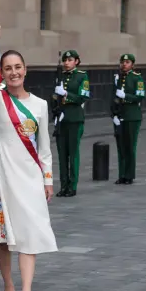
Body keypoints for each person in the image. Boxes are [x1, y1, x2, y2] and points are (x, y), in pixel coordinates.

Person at [0, 16, 57, 291]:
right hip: (0, 173)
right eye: (8, 68)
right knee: (1, 235)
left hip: (30, 176)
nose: (13, 72)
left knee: (30, 232)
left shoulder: (40, 105)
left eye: (17, 67)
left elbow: (45, 146)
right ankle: (9, 286)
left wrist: (48, 180)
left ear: (25, 71)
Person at [53, 50, 91, 197]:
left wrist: (66, 94)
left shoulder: (82, 76)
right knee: (62, 155)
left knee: (73, 153)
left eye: (70, 60)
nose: (66, 63)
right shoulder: (60, 76)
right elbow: (54, 97)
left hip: (75, 118)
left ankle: (72, 186)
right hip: (61, 120)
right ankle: (63, 186)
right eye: (65, 60)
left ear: (76, 61)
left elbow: (83, 96)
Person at [111, 54, 145, 185]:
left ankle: (129, 175)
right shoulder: (117, 78)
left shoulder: (137, 78)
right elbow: (112, 98)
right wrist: (113, 115)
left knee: (130, 146)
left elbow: (140, 96)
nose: (124, 64)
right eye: (122, 62)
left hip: (132, 116)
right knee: (121, 147)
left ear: (132, 64)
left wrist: (126, 96)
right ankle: (122, 174)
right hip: (120, 116)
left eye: (127, 62)